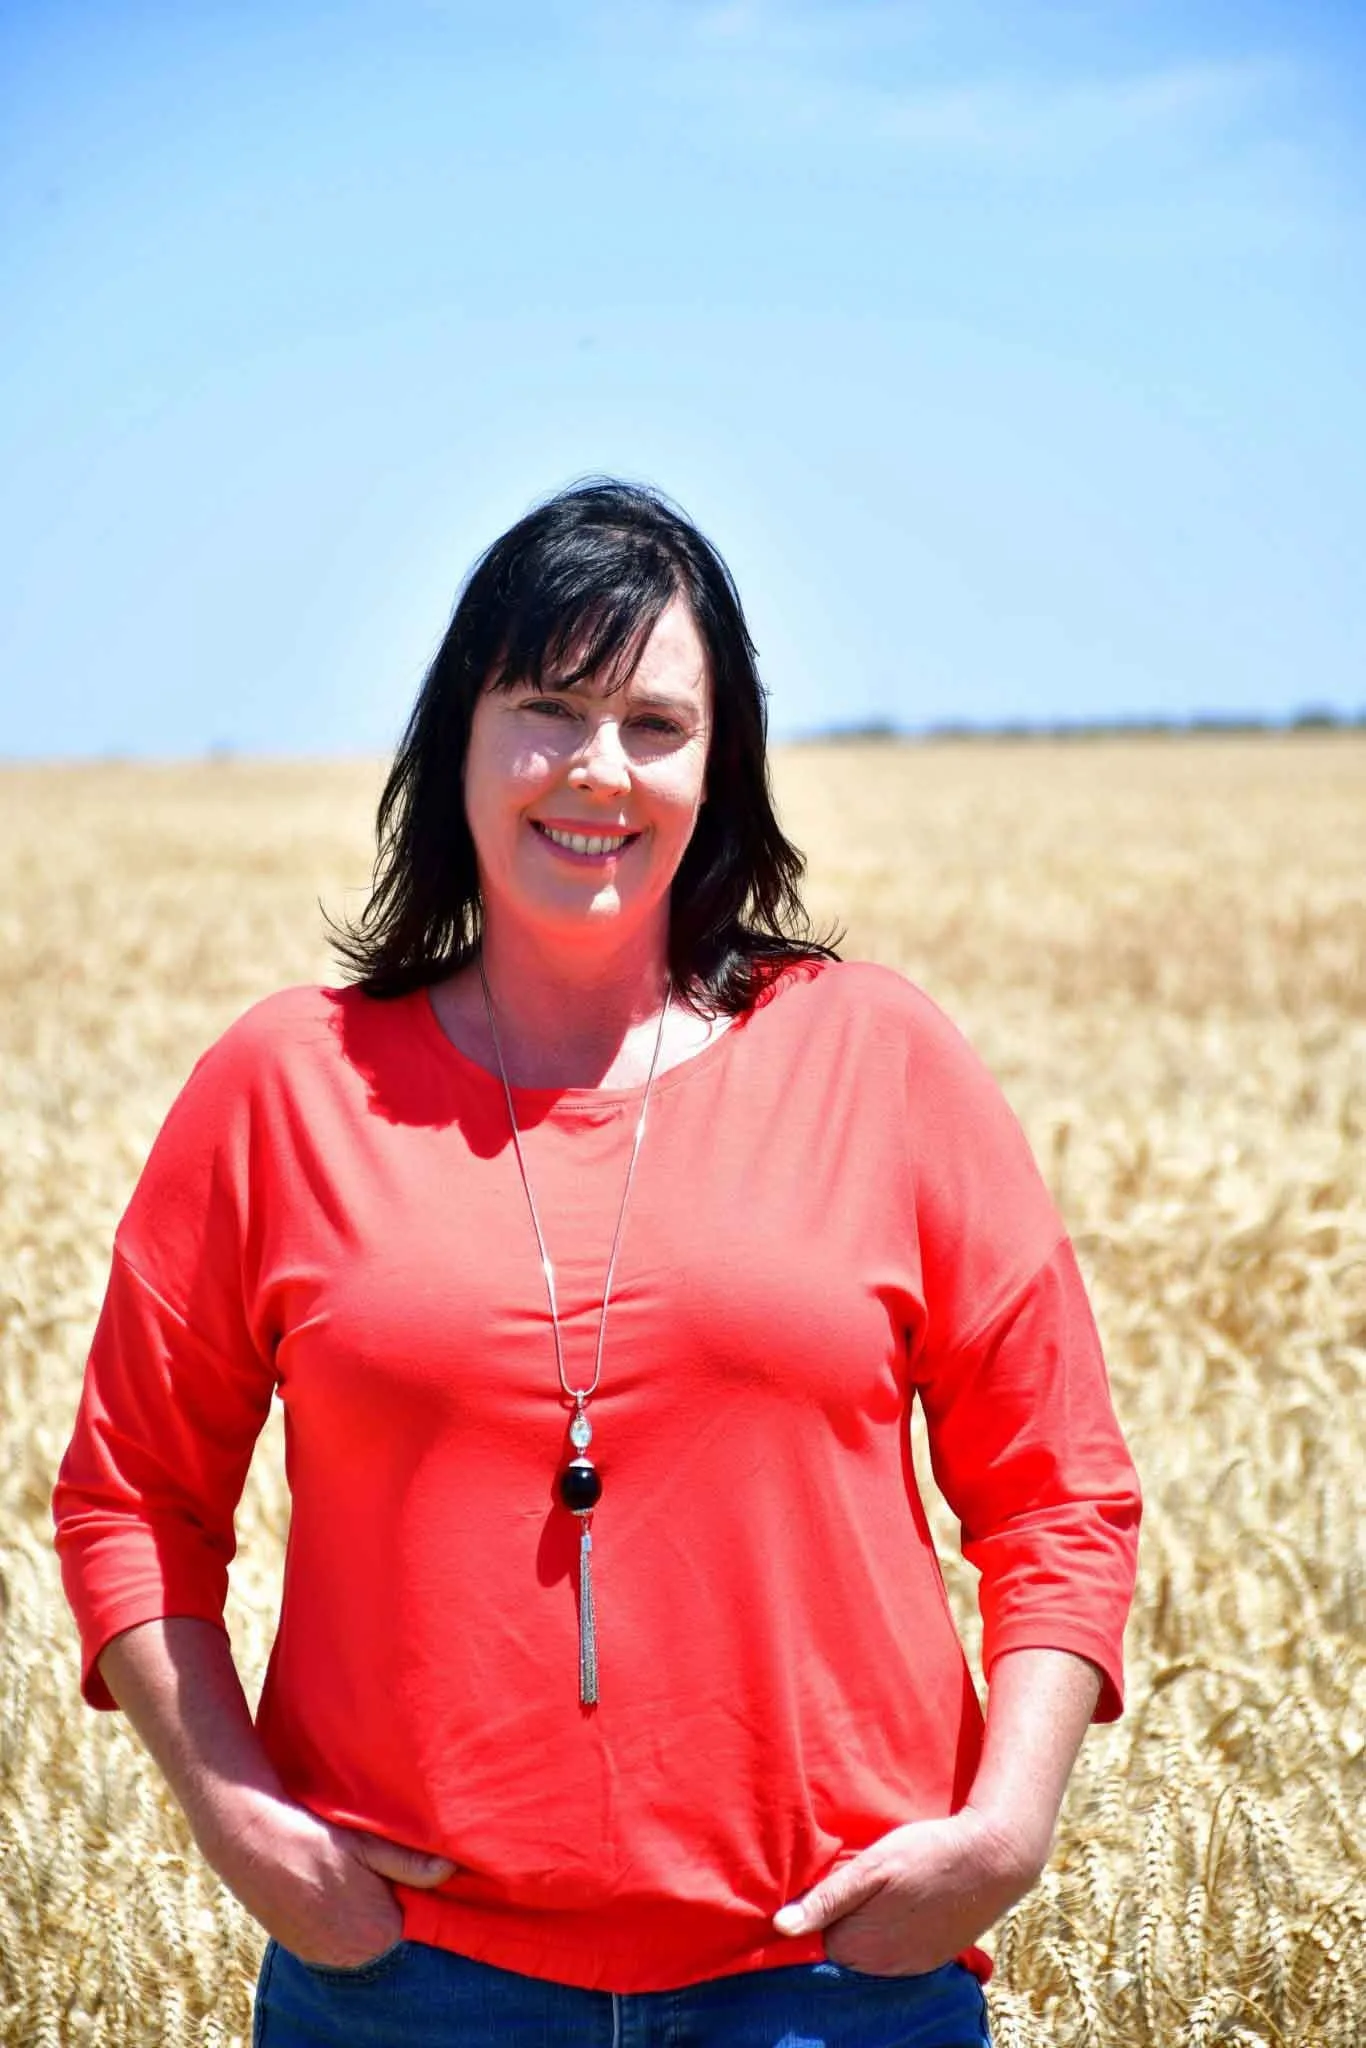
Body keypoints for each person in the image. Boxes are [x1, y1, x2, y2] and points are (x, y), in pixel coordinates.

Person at [53, 477, 1141, 2048]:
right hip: (404, 1989)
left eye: (652, 722)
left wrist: (1004, 1830)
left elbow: (1058, 1490)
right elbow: (130, 1501)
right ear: (461, 744)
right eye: (546, 709)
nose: (595, 770)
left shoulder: (876, 1058)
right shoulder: (283, 1087)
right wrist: (239, 1819)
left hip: (830, 1984)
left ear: (722, 763)